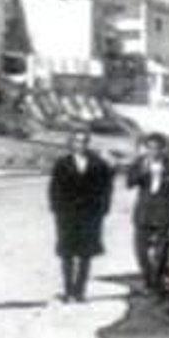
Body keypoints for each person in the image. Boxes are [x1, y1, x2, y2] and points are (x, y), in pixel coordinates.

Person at [47, 129, 114, 303]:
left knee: (86, 253)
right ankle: (68, 290)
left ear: (88, 143)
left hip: (90, 215)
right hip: (67, 214)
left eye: (84, 141)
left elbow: (107, 187)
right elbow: (54, 189)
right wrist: (57, 209)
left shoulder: (98, 164)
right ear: (71, 143)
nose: (81, 144)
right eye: (77, 141)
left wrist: (103, 209)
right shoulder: (62, 164)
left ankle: (80, 291)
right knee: (67, 253)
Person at [126, 133, 169, 294]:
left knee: (161, 249)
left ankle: (156, 281)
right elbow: (129, 183)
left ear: (163, 149)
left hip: (163, 211)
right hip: (143, 212)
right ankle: (148, 279)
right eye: (150, 148)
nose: (153, 151)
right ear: (146, 149)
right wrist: (143, 171)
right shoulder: (139, 162)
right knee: (140, 249)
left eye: (157, 148)